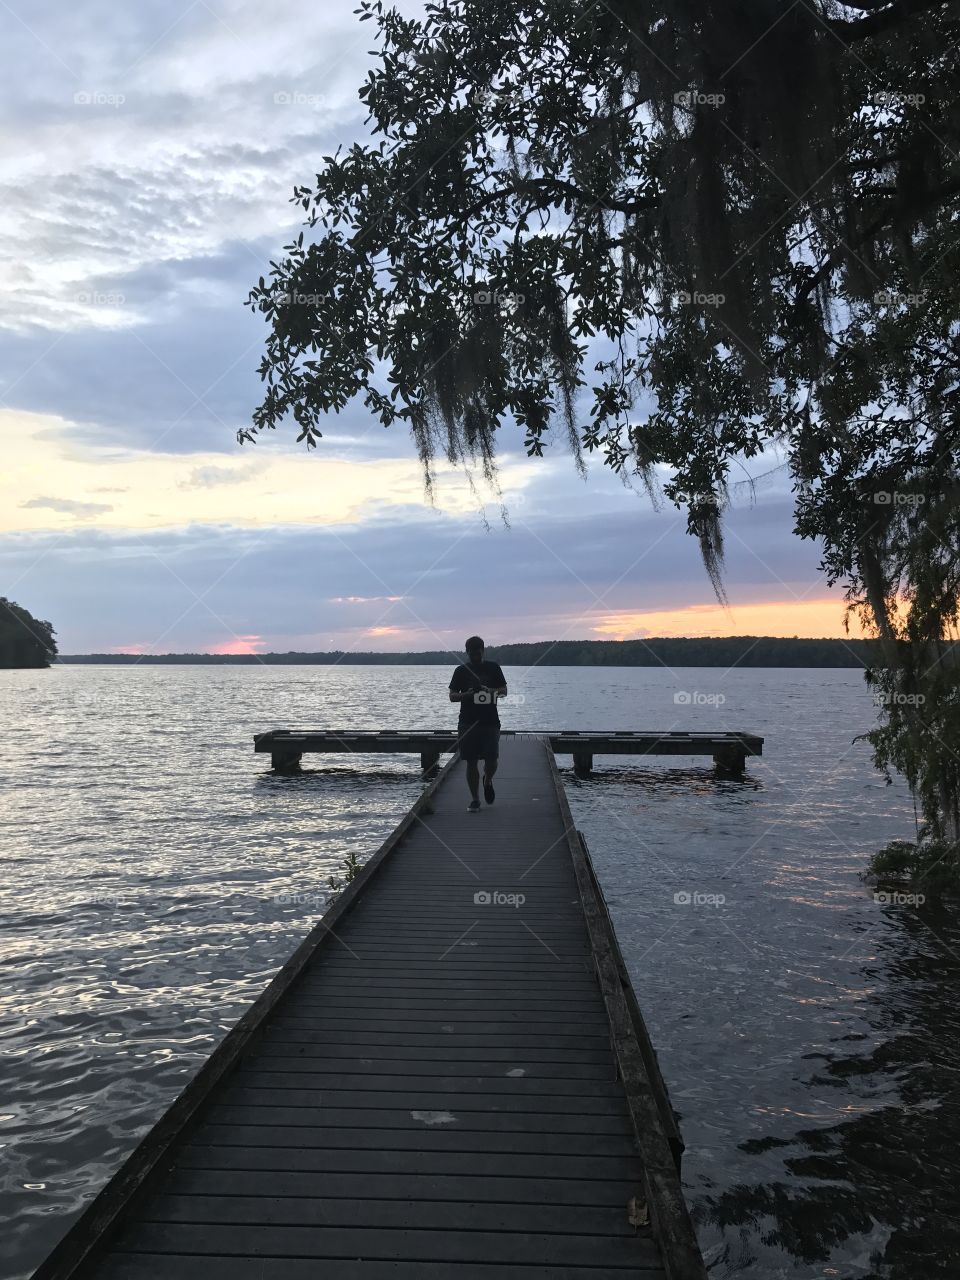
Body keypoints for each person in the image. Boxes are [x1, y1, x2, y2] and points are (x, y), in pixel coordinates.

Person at [448, 636, 508, 812]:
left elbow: (504, 691)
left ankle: (487, 780)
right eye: (472, 653)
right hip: (467, 722)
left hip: (490, 721)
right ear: (467, 652)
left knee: (492, 760)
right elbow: (452, 696)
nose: (475, 655)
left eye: (478, 652)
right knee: (471, 762)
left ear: (483, 650)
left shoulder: (493, 668)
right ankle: (475, 799)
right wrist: (466, 694)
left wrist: (489, 690)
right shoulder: (460, 670)